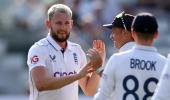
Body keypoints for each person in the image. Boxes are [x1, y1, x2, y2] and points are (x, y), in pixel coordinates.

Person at [27, 4, 105, 100]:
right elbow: (41, 84)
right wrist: (77, 76)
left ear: (71, 24)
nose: (63, 28)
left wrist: (98, 65)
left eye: (66, 23)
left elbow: (89, 91)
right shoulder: (38, 49)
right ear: (48, 24)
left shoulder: (77, 50)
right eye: (58, 23)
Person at [94, 12, 166, 100]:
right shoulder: (165, 64)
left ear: (133, 33)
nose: (111, 36)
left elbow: (102, 96)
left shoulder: (117, 59)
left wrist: (98, 68)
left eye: (113, 32)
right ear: (156, 34)